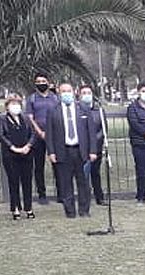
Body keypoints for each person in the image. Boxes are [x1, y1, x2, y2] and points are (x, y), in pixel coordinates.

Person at [45, 82, 97, 218]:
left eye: (69, 91)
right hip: (63, 151)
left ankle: (84, 210)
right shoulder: (53, 110)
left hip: (81, 151)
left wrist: (93, 150)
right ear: (59, 93)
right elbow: (49, 133)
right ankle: (70, 211)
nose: (66, 94)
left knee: (83, 182)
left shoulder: (83, 108)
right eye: (63, 91)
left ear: (74, 92)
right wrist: (51, 152)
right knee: (65, 183)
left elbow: (91, 132)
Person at [0, 94, 36, 220]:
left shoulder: (25, 118)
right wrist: (13, 148)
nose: (16, 106)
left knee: (27, 181)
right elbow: (1, 135)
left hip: (26, 154)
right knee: (14, 182)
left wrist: (28, 146)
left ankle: (28, 208)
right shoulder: (2, 119)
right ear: (7, 106)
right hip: (11, 155)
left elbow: (33, 133)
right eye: (13, 104)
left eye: (18, 103)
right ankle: (15, 208)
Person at [23, 72, 58, 204]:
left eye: (43, 81)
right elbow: (30, 117)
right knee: (39, 166)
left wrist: (50, 132)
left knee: (57, 164)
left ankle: (61, 193)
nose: (41, 84)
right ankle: (42, 194)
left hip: (53, 135)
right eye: (38, 82)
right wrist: (40, 132)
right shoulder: (32, 99)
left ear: (48, 82)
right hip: (37, 137)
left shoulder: (55, 98)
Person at [77, 84, 106, 206]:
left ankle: (99, 197)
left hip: (96, 148)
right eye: (84, 93)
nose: (87, 95)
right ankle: (84, 198)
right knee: (83, 174)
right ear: (79, 95)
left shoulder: (99, 111)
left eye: (89, 93)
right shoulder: (77, 110)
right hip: (81, 149)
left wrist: (94, 141)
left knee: (95, 173)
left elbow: (103, 130)